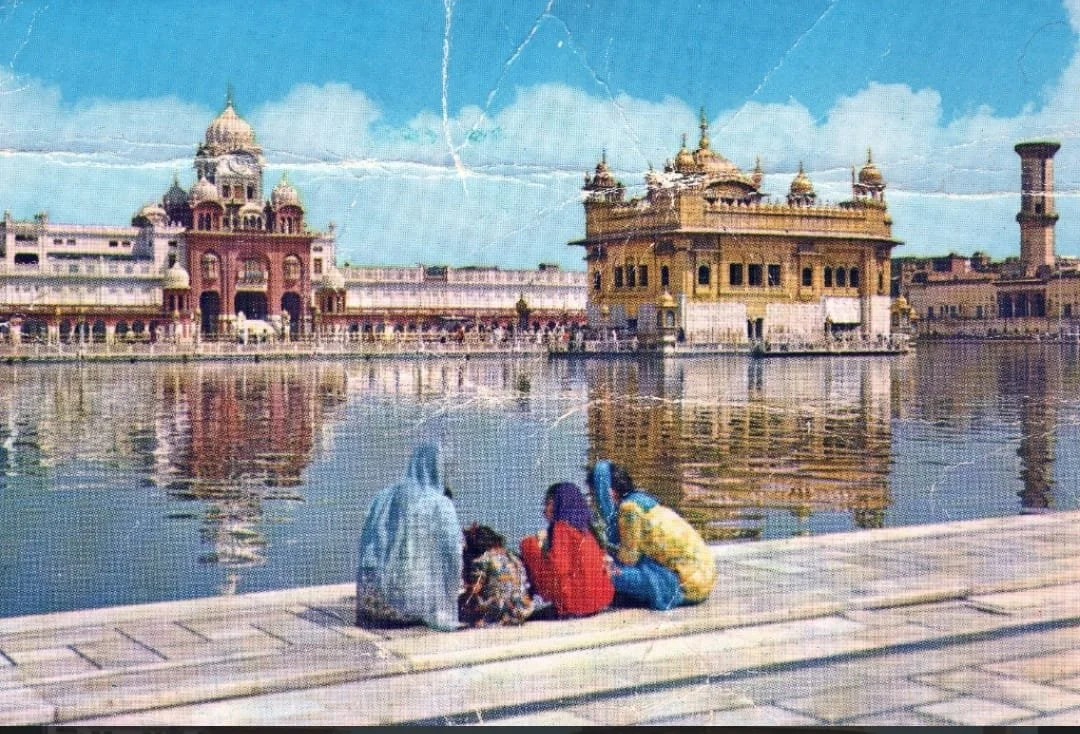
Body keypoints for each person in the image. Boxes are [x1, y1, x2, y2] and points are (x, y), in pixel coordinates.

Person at [355, 443, 463, 631]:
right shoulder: (440, 504)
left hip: (369, 602)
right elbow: (452, 554)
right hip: (406, 609)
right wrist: (450, 595)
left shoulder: (383, 496)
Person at [588, 461, 716, 610]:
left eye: (595, 494)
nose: (594, 501)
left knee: (603, 574)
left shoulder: (629, 509)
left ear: (609, 492)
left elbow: (628, 558)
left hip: (686, 587)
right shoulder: (642, 501)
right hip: (703, 580)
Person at [519, 482, 614, 618]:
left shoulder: (562, 528)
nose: (544, 510)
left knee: (528, 546)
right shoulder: (587, 530)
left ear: (560, 503)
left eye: (548, 504)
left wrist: (531, 544)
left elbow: (558, 569)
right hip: (599, 600)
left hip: (576, 604)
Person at [459, 524, 535, 627]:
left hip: (498, 609)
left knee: (460, 603)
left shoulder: (482, 560)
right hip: (524, 607)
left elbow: (474, 590)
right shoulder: (514, 557)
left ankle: (496, 618)